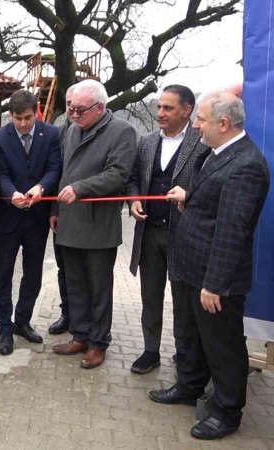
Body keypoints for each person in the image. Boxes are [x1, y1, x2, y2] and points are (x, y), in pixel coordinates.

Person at [149, 91, 270, 440]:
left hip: (214, 279)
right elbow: (215, 204)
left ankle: (227, 411)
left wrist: (214, 284)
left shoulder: (246, 165)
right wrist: (189, 198)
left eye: (200, 119)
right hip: (190, 266)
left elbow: (232, 231)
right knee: (191, 335)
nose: (195, 126)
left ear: (223, 123)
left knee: (222, 346)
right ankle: (189, 386)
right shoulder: (215, 152)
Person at [50, 80, 137, 369]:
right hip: (69, 221)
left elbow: (118, 174)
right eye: (71, 109)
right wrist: (55, 208)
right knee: (75, 285)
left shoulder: (122, 131)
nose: (74, 114)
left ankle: (98, 343)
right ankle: (80, 335)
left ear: (100, 108)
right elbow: (63, 173)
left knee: (99, 288)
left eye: (80, 110)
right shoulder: (71, 130)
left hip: (98, 225)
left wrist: (81, 188)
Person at [124, 85, 206, 374]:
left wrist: (189, 195)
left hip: (183, 235)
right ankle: (150, 351)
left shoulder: (202, 143)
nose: (160, 113)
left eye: (168, 108)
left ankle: (185, 355)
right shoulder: (147, 141)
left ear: (186, 110)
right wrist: (134, 200)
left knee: (183, 301)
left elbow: (212, 186)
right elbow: (132, 178)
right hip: (149, 233)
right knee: (150, 296)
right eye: (159, 107)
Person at [0, 89, 61, 355]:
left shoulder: (51, 134)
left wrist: (41, 187)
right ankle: (4, 329)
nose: (22, 123)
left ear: (36, 112)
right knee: (3, 275)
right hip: (7, 218)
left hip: (37, 220)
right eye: (17, 118)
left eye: (28, 118)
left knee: (32, 274)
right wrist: (12, 194)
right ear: (10, 115)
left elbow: (55, 168)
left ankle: (22, 321)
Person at [48, 85, 75, 335]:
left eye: (77, 105)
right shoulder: (58, 134)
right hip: (62, 216)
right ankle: (67, 314)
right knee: (63, 268)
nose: (72, 110)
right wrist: (53, 210)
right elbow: (56, 175)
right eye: (68, 104)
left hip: (91, 219)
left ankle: (90, 322)